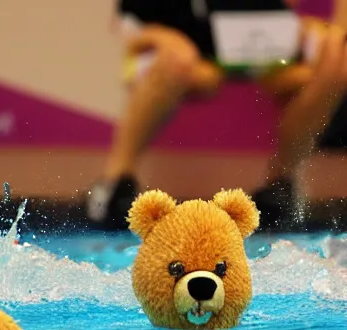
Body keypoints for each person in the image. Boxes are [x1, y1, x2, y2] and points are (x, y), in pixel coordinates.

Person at [86, 0, 347, 231]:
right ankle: (114, 183)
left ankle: (280, 185)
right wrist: (161, 38)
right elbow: (128, 26)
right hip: (177, 48)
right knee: (177, 59)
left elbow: (279, 16)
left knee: (337, 58)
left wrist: (302, 31)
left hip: (250, 45)